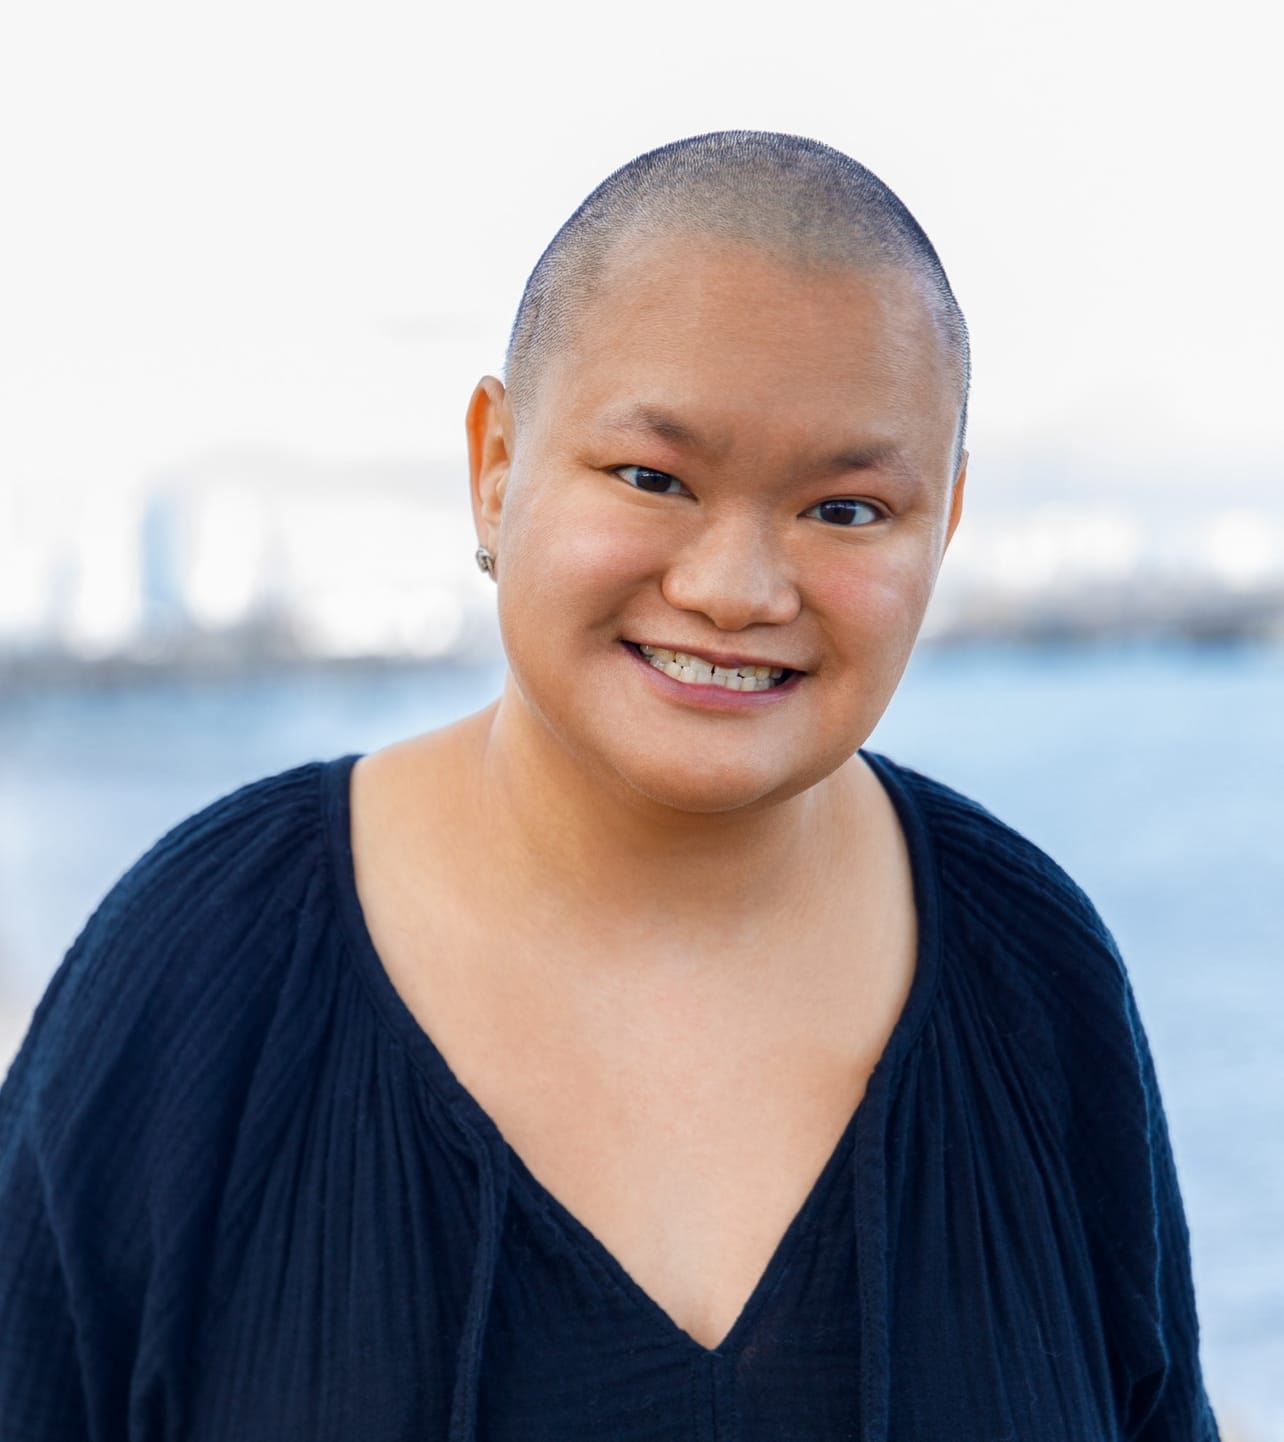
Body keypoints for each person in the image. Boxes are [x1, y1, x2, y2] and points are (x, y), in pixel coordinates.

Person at [0, 132, 1218, 1440]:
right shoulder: (209, 964)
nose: (736, 589)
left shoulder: (1034, 973)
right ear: (496, 465)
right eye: (652, 478)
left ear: (947, 522)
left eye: (847, 509)